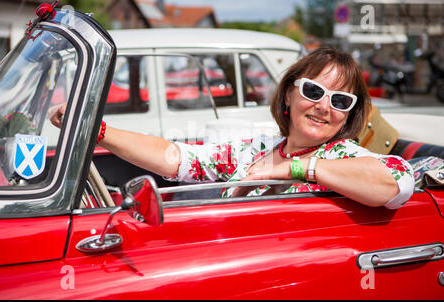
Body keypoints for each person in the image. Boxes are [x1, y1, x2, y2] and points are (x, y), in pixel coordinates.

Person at [49, 47, 414, 209]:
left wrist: (295, 168)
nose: (324, 106)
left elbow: (397, 181)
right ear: (288, 95)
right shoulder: (254, 150)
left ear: (348, 115)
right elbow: (175, 157)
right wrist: (96, 130)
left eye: (340, 101)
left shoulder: (342, 155)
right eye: (315, 91)